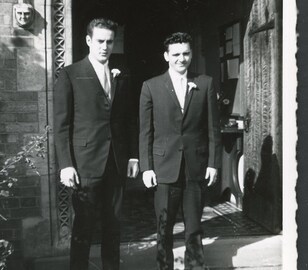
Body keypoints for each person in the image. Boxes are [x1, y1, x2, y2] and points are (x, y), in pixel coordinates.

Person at [53, 18, 139, 270]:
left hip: (115, 160)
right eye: (100, 41)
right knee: (84, 226)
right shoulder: (70, 74)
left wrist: (133, 156)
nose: (105, 46)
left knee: (114, 224)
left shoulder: (122, 74)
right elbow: (61, 125)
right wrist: (66, 165)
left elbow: (128, 119)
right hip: (85, 164)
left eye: (109, 41)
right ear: (88, 41)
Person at [139, 32, 221, 270]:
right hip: (164, 168)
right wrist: (147, 168)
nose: (181, 59)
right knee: (164, 227)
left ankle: (195, 267)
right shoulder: (151, 86)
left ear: (191, 54)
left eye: (186, 53)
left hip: (195, 167)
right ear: (166, 56)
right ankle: (164, 267)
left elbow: (213, 128)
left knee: (194, 227)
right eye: (175, 54)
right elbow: (145, 131)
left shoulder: (205, 83)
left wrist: (213, 163)